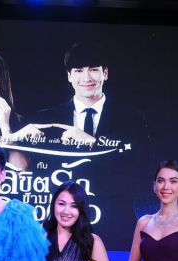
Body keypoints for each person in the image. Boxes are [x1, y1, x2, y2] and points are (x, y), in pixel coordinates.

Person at [33, 42, 153, 249]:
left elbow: (142, 175)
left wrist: (92, 143)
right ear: (69, 76)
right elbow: (38, 173)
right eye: (79, 70)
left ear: (105, 73)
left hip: (114, 226)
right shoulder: (47, 119)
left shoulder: (132, 119)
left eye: (93, 70)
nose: (86, 77)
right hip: (60, 227)